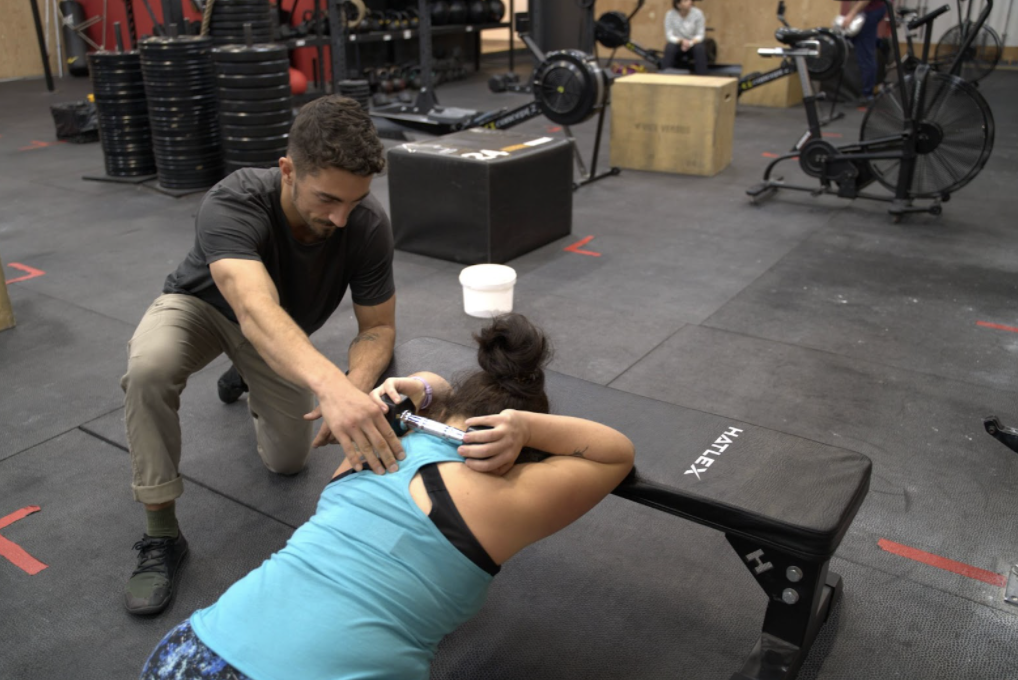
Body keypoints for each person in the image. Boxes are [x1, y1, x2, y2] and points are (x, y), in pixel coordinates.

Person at [139, 313, 636, 679]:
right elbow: (614, 454)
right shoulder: (504, 496)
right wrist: (527, 427)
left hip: (186, 655)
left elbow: (434, 388)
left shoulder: (373, 447)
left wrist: (419, 385)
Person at [120, 95, 405, 617]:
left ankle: (247, 371)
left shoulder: (365, 224)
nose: (341, 218)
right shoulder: (234, 199)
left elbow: (378, 327)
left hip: (278, 336)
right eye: (327, 199)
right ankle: (161, 534)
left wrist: (354, 386)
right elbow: (253, 308)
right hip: (205, 308)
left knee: (289, 462)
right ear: (288, 171)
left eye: (355, 201)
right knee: (149, 368)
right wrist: (331, 387)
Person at [840, 0, 889, 100]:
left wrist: (852, 14)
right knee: (861, 44)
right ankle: (871, 88)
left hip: (871, 10)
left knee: (865, 52)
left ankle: (867, 94)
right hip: (871, 9)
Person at [663, 0, 708, 75]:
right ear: (678, 5)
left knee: (699, 48)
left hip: (693, 42)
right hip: (678, 43)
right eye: (685, 1)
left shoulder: (698, 13)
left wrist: (690, 43)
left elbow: (700, 35)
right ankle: (665, 75)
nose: (690, 2)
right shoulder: (670, 15)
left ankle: (702, 77)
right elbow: (669, 36)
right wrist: (682, 41)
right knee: (670, 47)